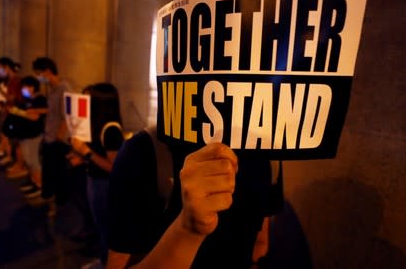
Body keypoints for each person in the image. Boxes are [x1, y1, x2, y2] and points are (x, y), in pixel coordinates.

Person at [106, 124, 283, 269]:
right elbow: (119, 262)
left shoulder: (267, 152)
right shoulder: (142, 151)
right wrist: (187, 231)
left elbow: (260, 243)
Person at [67, 83, 124, 267]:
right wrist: (83, 158)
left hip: (104, 185)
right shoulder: (97, 124)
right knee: (99, 225)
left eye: (86, 99)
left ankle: (107, 263)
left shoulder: (111, 129)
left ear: (100, 103)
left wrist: (86, 152)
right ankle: (102, 260)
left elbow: (114, 167)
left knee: (105, 227)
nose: (82, 103)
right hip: (94, 180)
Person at [32, 56, 70, 214]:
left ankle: (57, 204)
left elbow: (66, 117)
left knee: (57, 173)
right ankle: (48, 199)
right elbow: (52, 112)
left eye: (39, 73)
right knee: (48, 171)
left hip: (56, 140)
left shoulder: (64, 89)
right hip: (49, 137)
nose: (38, 77)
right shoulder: (53, 90)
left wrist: (58, 141)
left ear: (47, 71)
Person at [6, 76, 47, 197]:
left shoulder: (40, 99)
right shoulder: (26, 99)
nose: (23, 89)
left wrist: (18, 112)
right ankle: (33, 182)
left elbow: (35, 117)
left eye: (25, 86)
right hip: (24, 134)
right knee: (29, 161)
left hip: (33, 134)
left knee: (33, 161)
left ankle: (40, 186)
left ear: (32, 87)